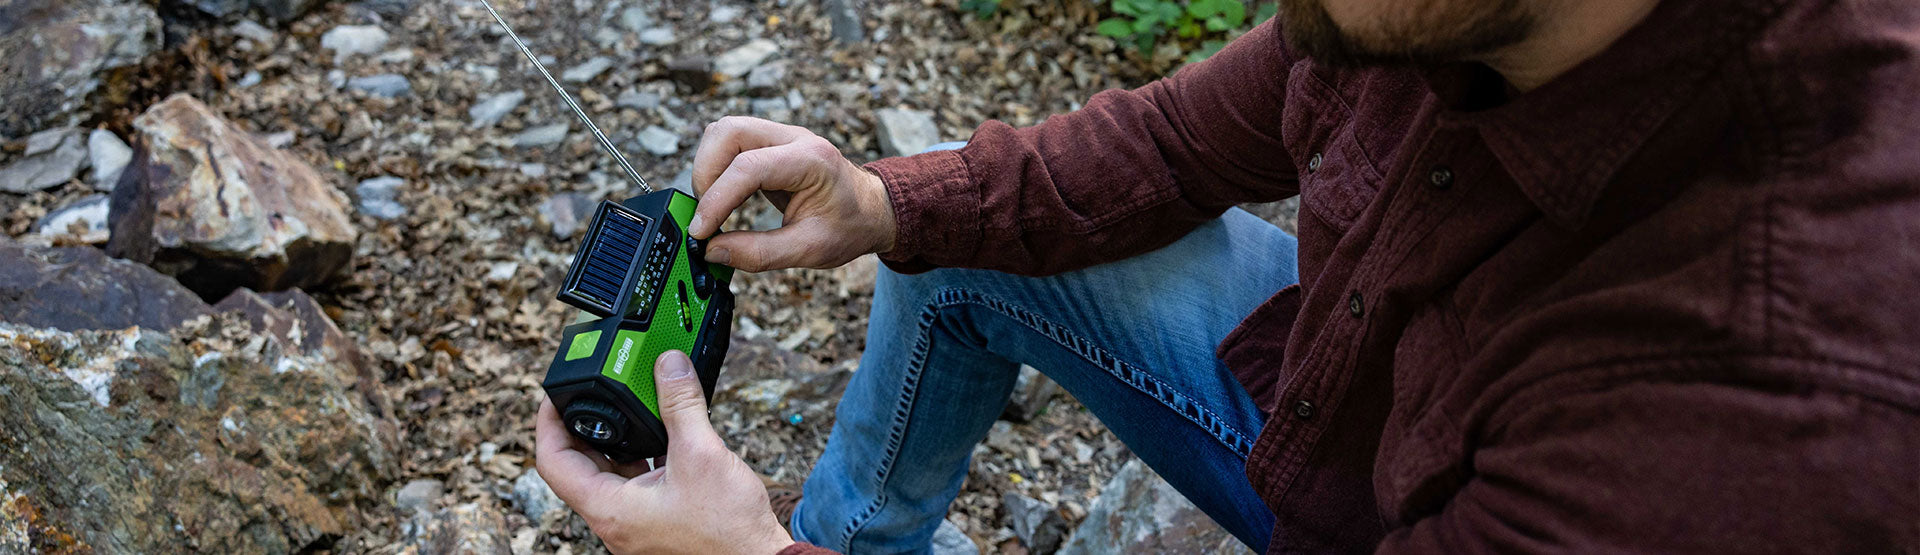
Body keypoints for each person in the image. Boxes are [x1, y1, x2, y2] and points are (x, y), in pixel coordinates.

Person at [534, 0, 1920, 551]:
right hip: (1341, 411)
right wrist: (882, 197)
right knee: (956, 237)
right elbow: (1181, 137)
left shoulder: (1766, 415)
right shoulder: (1432, 9)